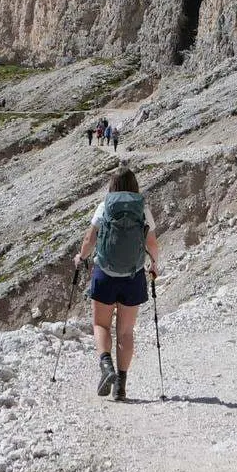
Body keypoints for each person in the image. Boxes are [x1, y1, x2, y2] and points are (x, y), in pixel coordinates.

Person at [74, 167, 158, 402]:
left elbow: (89, 240)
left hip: (105, 273)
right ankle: (121, 386)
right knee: (125, 332)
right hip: (133, 276)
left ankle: (106, 366)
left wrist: (81, 258)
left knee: (101, 325)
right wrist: (153, 265)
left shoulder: (104, 207)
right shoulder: (143, 209)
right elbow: (152, 244)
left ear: (112, 186)